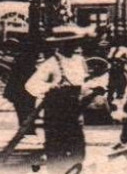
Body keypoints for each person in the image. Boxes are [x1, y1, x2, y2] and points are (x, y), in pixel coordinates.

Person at [25, 26, 91, 164]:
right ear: (60, 44)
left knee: (78, 150)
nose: (73, 46)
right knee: (56, 151)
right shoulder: (51, 63)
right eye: (69, 43)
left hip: (74, 111)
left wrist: (91, 90)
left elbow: (83, 83)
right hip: (56, 113)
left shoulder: (79, 61)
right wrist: (50, 87)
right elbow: (31, 85)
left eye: (74, 42)